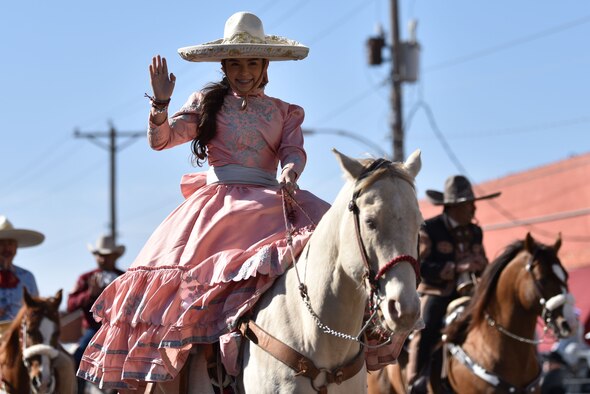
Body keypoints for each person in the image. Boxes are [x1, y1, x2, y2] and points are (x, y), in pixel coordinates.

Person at [77, 11, 330, 391]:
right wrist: (160, 104)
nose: (243, 71)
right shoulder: (206, 103)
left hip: (269, 200)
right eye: (235, 63)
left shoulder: (283, 111)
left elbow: (293, 150)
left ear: (265, 66)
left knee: (324, 258)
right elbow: (161, 140)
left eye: (251, 63)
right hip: (216, 209)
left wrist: (291, 173)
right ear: (225, 66)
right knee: (192, 293)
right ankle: (198, 366)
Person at [406, 175, 501, 393]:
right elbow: (420, 266)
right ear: (453, 207)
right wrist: (457, 268)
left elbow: (482, 261)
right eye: (468, 205)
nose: (473, 209)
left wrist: (481, 265)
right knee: (427, 326)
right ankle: (415, 380)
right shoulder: (429, 228)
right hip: (437, 291)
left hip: (471, 292)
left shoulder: (475, 231)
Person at [67, 235, 125, 394]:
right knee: (77, 357)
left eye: (107, 256)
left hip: (119, 330)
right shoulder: (85, 278)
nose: (103, 259)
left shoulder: (124, 277)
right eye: (100, 255)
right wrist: (89, 295)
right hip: (93, 330)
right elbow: (70, 305)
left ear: (114, 257)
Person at [0, 215, 43, 322]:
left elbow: (36, 307)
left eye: (10, 243)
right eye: (1, 244)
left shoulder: (27, 277)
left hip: (21, 333)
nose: (6, 249)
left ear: (16, 247)